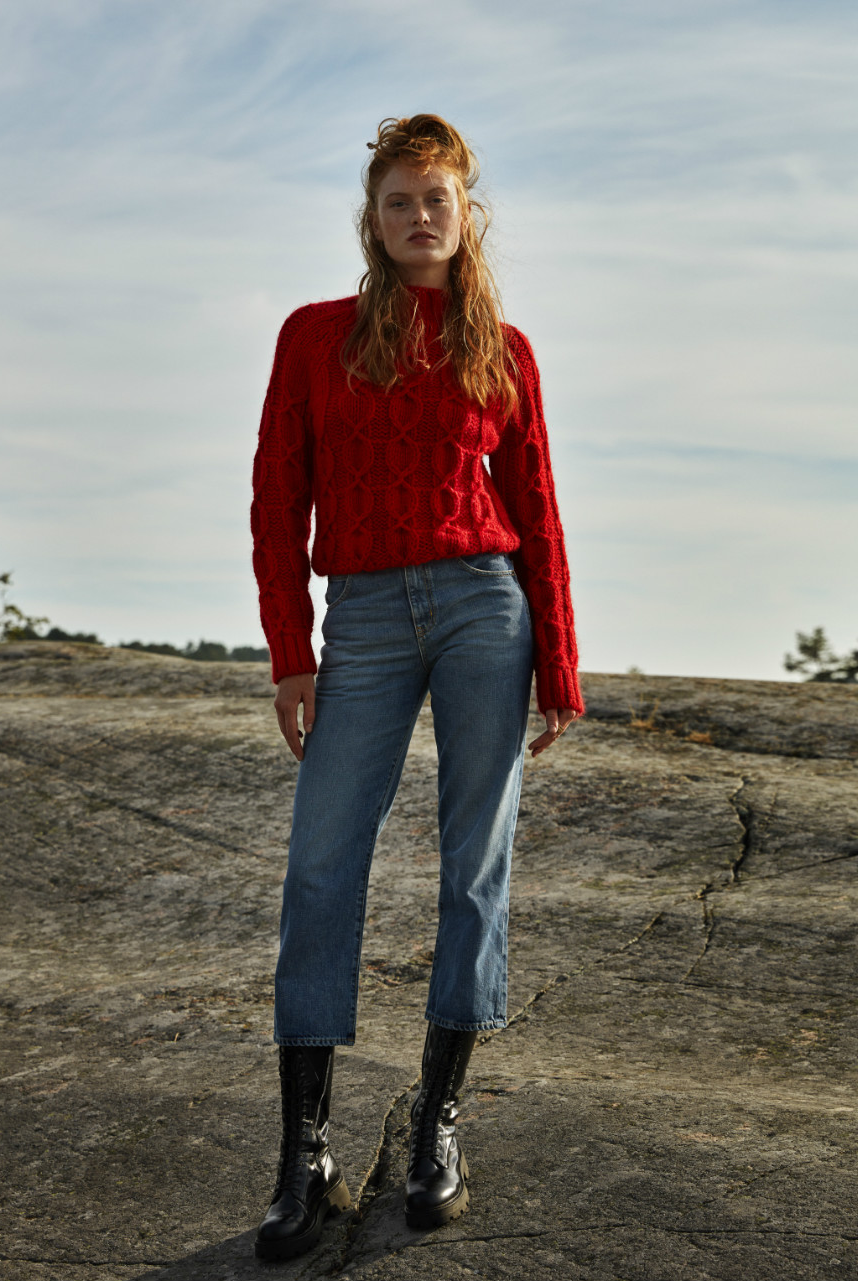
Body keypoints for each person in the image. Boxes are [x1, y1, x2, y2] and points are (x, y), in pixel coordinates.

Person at [250, 114, 583, 1260]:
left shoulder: (505, 349)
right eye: (399, 200)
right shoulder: (314, 337)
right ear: (374, 218)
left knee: (473, 867)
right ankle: (305, 1152)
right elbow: (277, 496)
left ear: (464, 213)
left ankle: (437, 1123)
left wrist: (559, 660)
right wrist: (291, 652)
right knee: (321, 864)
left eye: (436, 199)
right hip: (366, 619)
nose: (418, 216)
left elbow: (536, 508)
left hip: (488, 608)